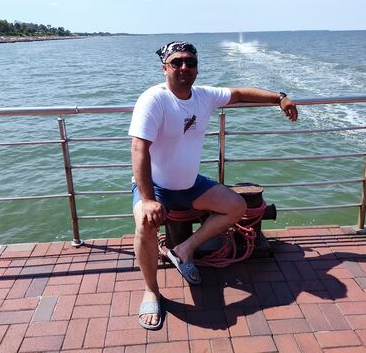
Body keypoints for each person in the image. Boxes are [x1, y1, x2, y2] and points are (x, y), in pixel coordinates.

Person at [128, 41, 298, 330]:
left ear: (197, 68)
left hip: (190, 185)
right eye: (177, 62)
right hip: (155, 187)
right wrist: (147, 199)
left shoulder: (204, 96)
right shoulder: (153, 99)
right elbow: (138, 149)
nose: (184, 67)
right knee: (144, 226)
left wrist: (279, 98)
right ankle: (151, 291)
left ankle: (184, 250)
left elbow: (240, 93)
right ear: (165, 68)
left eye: (191, 62)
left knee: (236, 207)